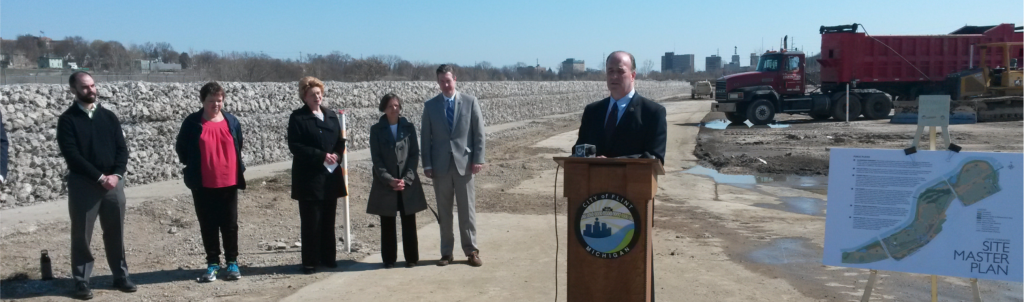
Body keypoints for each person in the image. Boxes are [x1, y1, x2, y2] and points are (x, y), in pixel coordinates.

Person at [56, 71, 136, 299]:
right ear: (73, 90)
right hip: (84, 186)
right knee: (82, 234)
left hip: (113, 185)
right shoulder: (67, 120)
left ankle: (120, 276)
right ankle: (81, 280)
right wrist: (100, 177)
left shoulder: (108, 117)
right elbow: (72, 156)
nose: (91, 90)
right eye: (85, 87)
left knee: (116, 231)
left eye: (92, 85)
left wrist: (117, 175)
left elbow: (122, 149)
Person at [175, 82, 246, 282]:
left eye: (219, 100)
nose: (216, 104)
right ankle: (212, 263)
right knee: (208, 224)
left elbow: (238, 143)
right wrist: (195, 165)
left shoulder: (231, 121)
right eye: (211, 101)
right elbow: (182, 148)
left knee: (230, 224)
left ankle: (232, 262)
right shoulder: (192, 122)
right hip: (203, 183)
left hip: (229, 181)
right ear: (203, 101)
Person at [420, 64, 486, 267]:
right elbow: (425, 139)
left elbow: (479, 134)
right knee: (444, 212)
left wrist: (478, 159)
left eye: (448, 80)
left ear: (455, 79)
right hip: (440, 168)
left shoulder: (470, 102)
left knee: (467, 211)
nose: (445, 84)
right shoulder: (430, 106)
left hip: (464, 165)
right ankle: (446, 253)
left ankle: (471, 251)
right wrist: (427, 165)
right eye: (441, 81)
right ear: (438, 82)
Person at [287, 76, 347, 274]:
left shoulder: (330, 116)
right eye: (313, 94)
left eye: (319, 94)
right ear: (304, 96)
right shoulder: (297, 118)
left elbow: (340, 141)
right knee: (311, 221)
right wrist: (322, 156)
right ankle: (310, 261)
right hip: (309, 178)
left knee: (328, 220)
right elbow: (295, 145)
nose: (317, 97)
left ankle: (328, 258)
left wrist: (336, 155)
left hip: (330, 176)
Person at [367, 93, 428, 269]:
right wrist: (389, 179)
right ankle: (388, 259)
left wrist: (406, 178)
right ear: (384, 109)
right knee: (387, 221)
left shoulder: (408, 128)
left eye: (397, 106)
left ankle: (411, 258)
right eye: (391, 106)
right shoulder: (376, 130)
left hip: (407, 184)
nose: (395, 109)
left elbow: (414, 154)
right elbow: (376, 158)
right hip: (385, 185)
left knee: (409, 220)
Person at [574, 51, 667, 164]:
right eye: (610, 71)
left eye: (620, 71)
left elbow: (655, 157)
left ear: (633, 75)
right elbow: (578, 149)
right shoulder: (592, 111)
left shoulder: (652, 113)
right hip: (593, 180)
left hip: (634, 180)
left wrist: (612, 162)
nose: (614, 76)